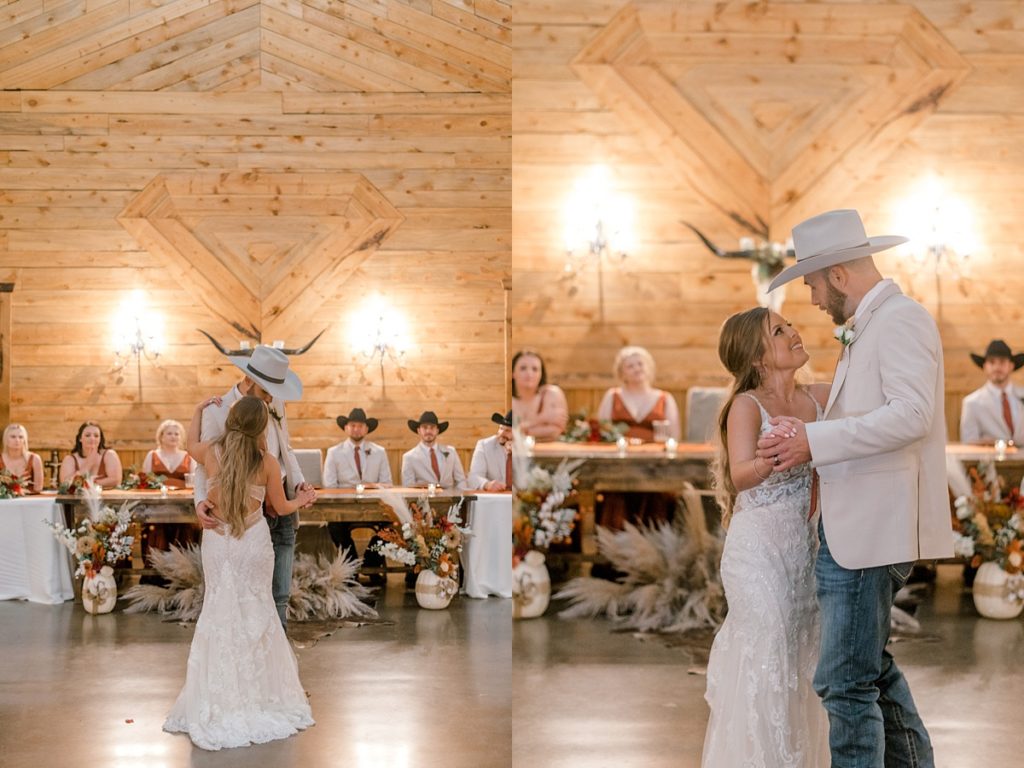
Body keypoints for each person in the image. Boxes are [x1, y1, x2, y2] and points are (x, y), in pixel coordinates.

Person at [759, 208, 952, 766]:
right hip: (855, 526)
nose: (814, 299)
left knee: (845, 685)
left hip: (872, 530)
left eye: (815, 283)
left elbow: (912, 416)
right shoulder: (871, 324)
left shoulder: (900, 321)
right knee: (868, 668)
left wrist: (816, 441)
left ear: (839, 275)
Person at [702, 307, 830, 765]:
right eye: (779, 331)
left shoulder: (820, 398)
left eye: (789, 324)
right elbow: (738, 476)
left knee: (801, 658)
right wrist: (781, 457)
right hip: (757, 551)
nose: (793, 332)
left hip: (805, 548)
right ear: (758, 357)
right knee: (768, 656)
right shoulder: (746, 405)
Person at [164, 395, 316, 751]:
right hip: (253, 542)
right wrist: (304, 500)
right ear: (262, 426)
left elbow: (188, 445)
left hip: (218, 542)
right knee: (258, 608)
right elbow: (279, 507)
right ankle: (259, 694)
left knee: (218, 610)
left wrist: (198, 408)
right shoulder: (267, 461)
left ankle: (219, 692)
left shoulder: (213, 452)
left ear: (232, 420)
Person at [192, 345, 313, 629]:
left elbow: (287, 449)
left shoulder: (276, 403)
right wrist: (200, 501)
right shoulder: (217, 410)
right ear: (249, 381)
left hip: (278, 496)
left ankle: (275, 652)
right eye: (266, 391)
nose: (272, 398)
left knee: (280, 593)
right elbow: (202, 464)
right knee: (239, 592)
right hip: (236, 513)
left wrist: (298, 484)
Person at [594, 346, 681, 531]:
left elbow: (675, 436)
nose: (637, 368)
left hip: (655, 466)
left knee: (658, 492)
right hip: (619, 465)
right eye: (630, 366)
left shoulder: (665, 398)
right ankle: (614, 545)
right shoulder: (612, 396)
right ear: (622, 373)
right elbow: (602, 433)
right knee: (615, 492)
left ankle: (653, 545)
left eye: (640, 364)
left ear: (648, 367)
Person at [324, 407, 392, 581]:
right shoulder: (334, 453)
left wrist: (371, 486)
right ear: (346, 428)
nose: (356, 429)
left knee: (392, 525)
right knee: (334, 525)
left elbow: (387, 483)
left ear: (366, 429)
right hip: (344, 508)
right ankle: (351, 567)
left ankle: (372, 562)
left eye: (360, 425)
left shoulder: (379, 452)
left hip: (375, 507)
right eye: (352, 425)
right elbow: (329, 486)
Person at [959, 339, 1024, 445]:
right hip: (990, 461)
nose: (997, 367)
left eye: (1002, 362)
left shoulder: (1022, 395)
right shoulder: (972, 403)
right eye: (992, 362)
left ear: (1011, 365)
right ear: (984, 366)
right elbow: (969, 443)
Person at [400, 411, 467, 490]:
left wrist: (460, 499)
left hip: (451, 500)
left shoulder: (451, 452)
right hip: (423, 501)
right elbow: (408, 488)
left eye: (432, 427)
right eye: (425, 427)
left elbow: (461, 481)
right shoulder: (409, 457)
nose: (428, 431)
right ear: (418, 430)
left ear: (437, 430)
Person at [511, 350, 568, 441]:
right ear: (512, 373)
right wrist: (542, 418)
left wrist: (520, 430)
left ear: (541, 374)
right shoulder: (506, 400)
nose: (529, 373)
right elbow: (504, 433)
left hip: (548, 453)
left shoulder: (551, 394)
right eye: (523, 368)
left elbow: (556, 431)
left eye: (535, 369)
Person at [59, 421, 122, 489]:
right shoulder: (70, 459)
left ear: (100, 439)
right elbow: (65, 485)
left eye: (96, 436)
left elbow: (116, 480)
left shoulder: (109, 455)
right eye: (88, 435)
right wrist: (87, 465)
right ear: (80, 438)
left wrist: (88, 484)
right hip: (77, 499)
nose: (92, 438)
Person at [468, 411, 513, 491]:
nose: (501, 433)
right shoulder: (484, 446)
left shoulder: (526, 447)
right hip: (494, 498)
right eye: (501, 428)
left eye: (507, 430)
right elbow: (473, 477)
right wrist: (486, 484)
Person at [142, 419, 193, 488]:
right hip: (157, 496)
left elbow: (194, 481)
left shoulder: (188, 457)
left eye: (176, 434)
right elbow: (145, 480)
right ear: (161, 436)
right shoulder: (152, 455)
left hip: (184, 496)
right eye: (169, 433)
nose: (173, 436)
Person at [0, 424, 44, 492]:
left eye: (21, 437)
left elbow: (38, 488)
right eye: (13, 437)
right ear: (5, 439)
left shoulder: (34, 459)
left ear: (24, 440)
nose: (17, 440)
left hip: (30, 501)